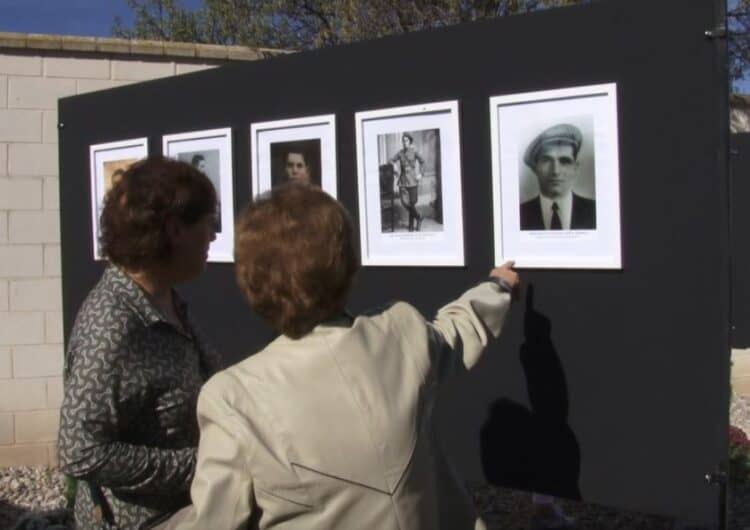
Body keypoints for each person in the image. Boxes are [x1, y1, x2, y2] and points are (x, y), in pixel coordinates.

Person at [157, 183, 520, 530]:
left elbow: (215, 521)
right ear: (348, 262)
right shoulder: (401, 331)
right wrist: (498, 287)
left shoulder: (233, 399)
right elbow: (455, 330)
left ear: (250, 282)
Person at [57, 157, 224, 529]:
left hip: (191, 503)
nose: (213, 234)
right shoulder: (112, 322)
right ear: (174, 230)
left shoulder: (164, 298)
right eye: (208, 222)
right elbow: (79, 451)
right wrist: (198, 464)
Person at [519, 124, 596, 231]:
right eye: (546, 160)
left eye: (564, 161)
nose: (555, 171)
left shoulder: (595, 211)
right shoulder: (520, 214)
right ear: (535, 168)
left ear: (575, 168)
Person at [389, 132, 426, 231]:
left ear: (410, 142)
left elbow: (423, 161)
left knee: (412, 203)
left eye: (406, 140)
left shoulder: (414, 151)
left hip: (413, 181)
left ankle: (411, 225)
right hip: (403, 181)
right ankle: (419, 217)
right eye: (403, 140)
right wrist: (394, 165)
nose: (404, 142)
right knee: (405, 203)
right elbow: (391, 160)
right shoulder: (400, 153)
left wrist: (421, 174)